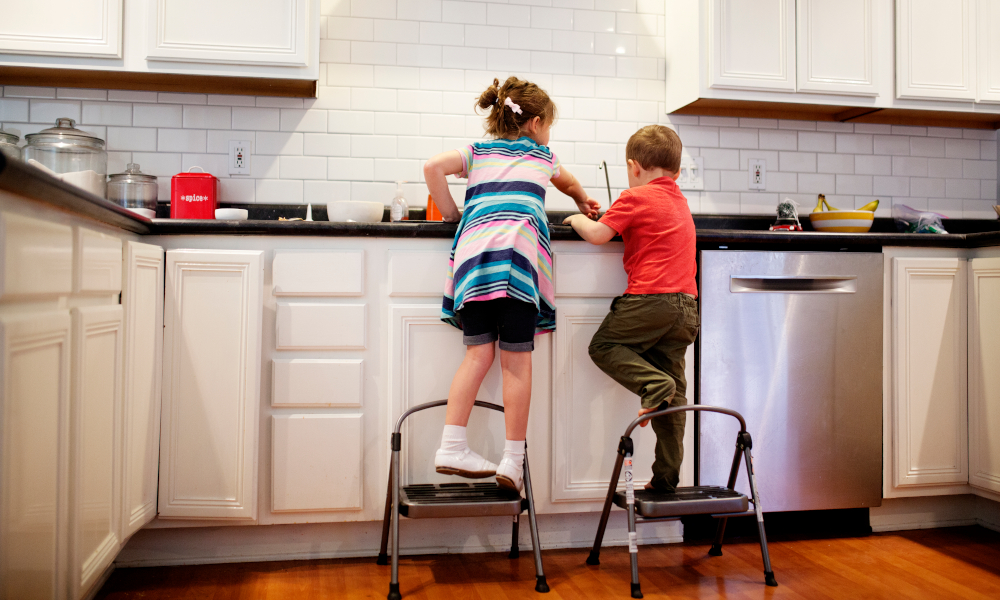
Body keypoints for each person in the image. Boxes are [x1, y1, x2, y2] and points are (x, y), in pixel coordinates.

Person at [422, 76, 599, 492]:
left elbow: (431, 167)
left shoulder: (476, 151)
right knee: (516, 363)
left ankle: (451, 445)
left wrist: (451, 213)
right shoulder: (543, 155)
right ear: (536, 123)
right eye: (549, 125)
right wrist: (583, 201)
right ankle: (512, 461)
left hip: (473, 264)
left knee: (476, 356)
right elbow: (569, 182)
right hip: (516, 265)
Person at [563, 124, 699, 494]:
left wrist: (577, 219)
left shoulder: (634, 196)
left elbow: (597, 235)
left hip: (650, 301)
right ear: (676, 170)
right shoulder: (679, 200)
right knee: (675, 400)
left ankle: (654, 385)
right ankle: (666, 478)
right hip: (687, 309)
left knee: (603, 346)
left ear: (633, 166)